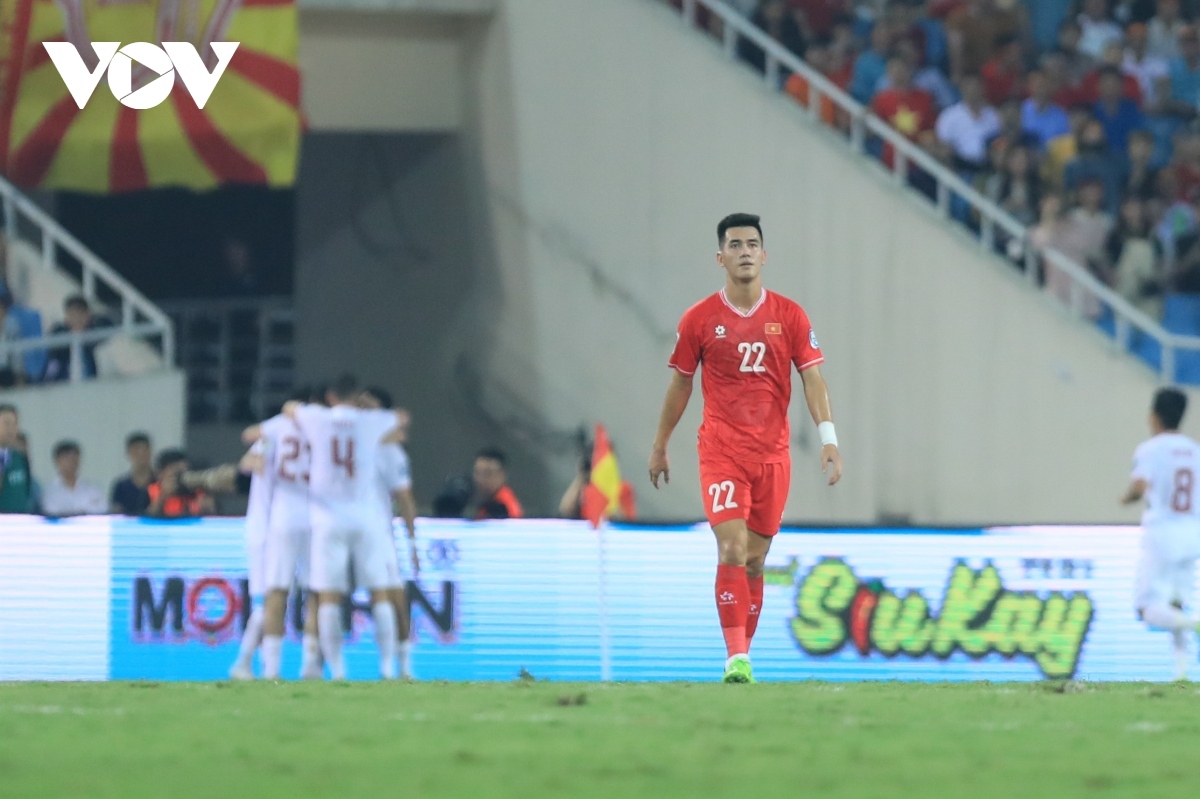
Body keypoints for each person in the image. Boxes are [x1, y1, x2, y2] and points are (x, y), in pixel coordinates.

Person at [648, 213, 842, 684]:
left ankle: (742, 653)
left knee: (755, 558)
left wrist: (829, 439)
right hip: (721, 453)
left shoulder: (790, 316)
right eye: (734, 245)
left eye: (752, 243)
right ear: (720, 258)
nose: (745, 251)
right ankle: (736, 658)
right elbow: (680, 386)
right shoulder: (698, 320)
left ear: (764, 254)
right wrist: (661, 444)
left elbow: (812, 378)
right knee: (731, 547)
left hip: (773, 457)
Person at [287, 374, 406, 680]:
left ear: (329, 396)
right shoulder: (370, 422)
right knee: (380, 592)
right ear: (357, 396)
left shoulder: (318, 419)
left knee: (327, 595)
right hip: (367, 517)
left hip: (328, 517)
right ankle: (387, 669)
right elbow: (400, 425)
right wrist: (369, 410)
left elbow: (289, 409)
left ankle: (337, 671)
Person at [1121, 388, 1200, 680]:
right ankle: (1181, 674)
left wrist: (1126, 497)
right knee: (1175, 606)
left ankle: (1195, 624)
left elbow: (1139, 486)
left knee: (1147, 609)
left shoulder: (1150, 449)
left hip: (1163, 534)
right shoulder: (1195, 450)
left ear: (1154, 417)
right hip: (1192, 535)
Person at [360, 385, 419, 680]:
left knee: (390, 594)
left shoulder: (390, 452)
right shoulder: (352, 441)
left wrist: (411, 539)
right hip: (354, 528)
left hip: (375, 529)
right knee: (327, 596)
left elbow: (404, 497)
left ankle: (400, 666)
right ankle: (389, 667)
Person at [935, 73, 1000, 174]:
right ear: (962, 88)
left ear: (982, 88)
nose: (973, 90)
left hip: (987, 168)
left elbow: (998, 142)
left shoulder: (992, 115)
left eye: (976, 86)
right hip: (960, 168)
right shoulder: (949, 116)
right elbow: (943, 145)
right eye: (969, 86)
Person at [41, 295, 111, 383]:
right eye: (73, 315)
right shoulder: (60, 349)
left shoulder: (96, 340)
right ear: (66, 318)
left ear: (88, 316)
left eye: (80, 314)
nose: (77, 319)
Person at [40, 441, 106, 517]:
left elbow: (101, 509)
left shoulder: (91, 488)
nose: (72, 463)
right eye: (67, 459)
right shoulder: (50, 491)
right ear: (57, 461)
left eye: (75, 459)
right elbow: (52, 512)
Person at [146, 450, 214, 518]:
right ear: (161, 474)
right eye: (175, 474)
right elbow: (144, 518)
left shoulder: (196, 491)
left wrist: (208, 508)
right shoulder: (150, 491)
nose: (179, 478)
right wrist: (163, 497)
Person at [471, 447, 524, 520]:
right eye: (478, 473)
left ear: (501, 475)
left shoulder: (503, 507)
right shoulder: (488, 502)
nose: (480, 479)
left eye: (487, 473)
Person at [0, 405, 33, 514]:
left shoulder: (20, 457)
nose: (11, 429)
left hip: (20, 522)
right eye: (6, 423)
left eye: (15, 424)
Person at [110, 432, 153, 515]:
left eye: (144, 451)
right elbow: (116, 513)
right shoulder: (121, 486)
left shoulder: (159, 483)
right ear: (128, 453)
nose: (141, 455)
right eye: (136, 451)